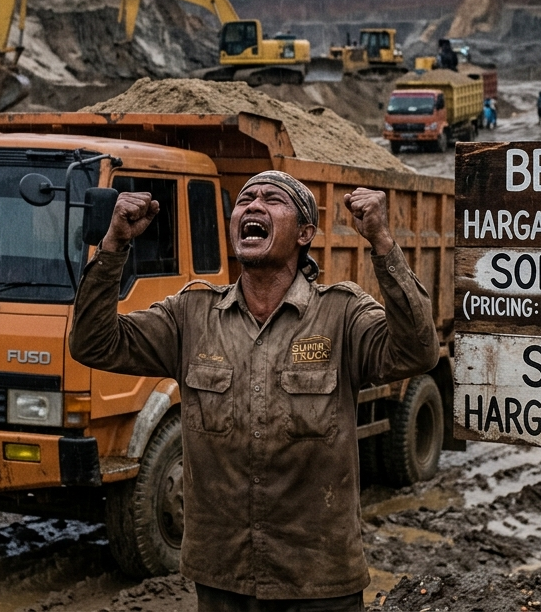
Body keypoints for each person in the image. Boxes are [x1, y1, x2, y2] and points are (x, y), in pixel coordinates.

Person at [71, 172, 438, 611]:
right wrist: (113, 244)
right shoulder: (191, 315)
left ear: (305, 233)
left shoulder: (341, 314)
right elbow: (93, 342)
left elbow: (418, 351)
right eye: (245, 199)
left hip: (318, 581)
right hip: (222, 577)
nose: (253, 206)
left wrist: (381, 240)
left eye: (273, 199)